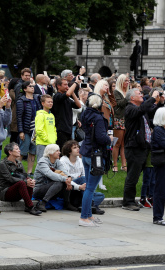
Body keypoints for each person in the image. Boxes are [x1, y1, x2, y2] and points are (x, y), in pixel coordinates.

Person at [122, 88, 160, 211]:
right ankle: (127, 202)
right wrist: (152, 98)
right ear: (132, 98)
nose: (142, 95)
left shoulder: (139, 109)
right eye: (139, 94)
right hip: (134, 147)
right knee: (132, 176)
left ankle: (131, 200)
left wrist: (158, 101)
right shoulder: (130, 108)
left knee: (136, 175)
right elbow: (142, 109)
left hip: (142, 146)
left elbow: (150, 110)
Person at [79, 94, 112, 227]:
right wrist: (109, 139)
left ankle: (88, 215)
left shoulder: (85, 114)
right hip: (96, 154)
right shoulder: (98, 117)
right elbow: (100, 137)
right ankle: (83, 218)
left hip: (86, 152)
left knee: (88, 186)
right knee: (90, 188)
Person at [60, 140, 105, 214]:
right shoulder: (63, 161)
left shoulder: (80, 160)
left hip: (81, 190)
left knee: (101, 195)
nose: (78, 149)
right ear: (69, 151)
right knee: (83, 179)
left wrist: (83, 186)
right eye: (75, 148)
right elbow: (66, 179)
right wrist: (79, 186)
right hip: (70, 189)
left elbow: (84, 175)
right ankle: (91, 205)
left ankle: (83, 205)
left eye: (78, 147)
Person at [0, 143, 41, 215]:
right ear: (10, 152)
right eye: (17, 149)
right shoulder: (3, 164)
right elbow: (10, 179)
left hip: (17, 191)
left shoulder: (19, 163)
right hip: (5, 192)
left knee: (29, 182)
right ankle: (30, 207)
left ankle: (28, 206)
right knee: (22, 182)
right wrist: (25, 181)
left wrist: (30, 180)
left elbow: (25, 176)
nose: (19, 150)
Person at [33, 144, 77, 212]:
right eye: (57, 151)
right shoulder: (42, 162)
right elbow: (50, 175)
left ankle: (67, 203)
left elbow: (65, 172)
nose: (59, 152)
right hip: (39, 189)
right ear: (50, 152)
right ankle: (43, 203)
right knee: (60, 182)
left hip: (52, 188)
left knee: (63, 181)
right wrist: (65, 179)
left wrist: (69, 178)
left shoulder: (57, 161)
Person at [16, 81, 42, 175]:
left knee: (32, 152)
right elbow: (19, 117)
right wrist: (21, 131)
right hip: (26, 130)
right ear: (25, 89)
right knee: (22, 152)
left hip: (36, 130)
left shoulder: (37, 98)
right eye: (30, 86)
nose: (32, 87)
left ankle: (29, 172)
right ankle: (17, 170)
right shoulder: (21, 100)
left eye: (33, 86)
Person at [51, 77, 81, 151]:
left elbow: (79, 105)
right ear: (58, 86)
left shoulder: (67, 99)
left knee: (68, 151)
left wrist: (73, 93)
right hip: (61, 129)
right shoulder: (57, 96)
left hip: (68, 128)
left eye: (67, 85)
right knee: (62, 151)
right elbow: (67, 93)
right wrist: (76, 83)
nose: (67, 87)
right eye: (65, 85)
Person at [112, 74, 129, 172]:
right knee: (117, 143)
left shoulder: (126, 92)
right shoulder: (116, 92)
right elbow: (120, 104)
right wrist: (128, 96)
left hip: (126, 119)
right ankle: (115, 165)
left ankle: (124, 164)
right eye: (125, 81)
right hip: (118, 119)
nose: (127, 83)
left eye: (128, 81)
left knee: (124, 143)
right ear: (121, 81)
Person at [35, 94, 57, 162]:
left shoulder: (51, 115)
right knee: (41, 163)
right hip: (42, 144)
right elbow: (39, 130)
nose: (50, 103)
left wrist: (54, 138)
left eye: (51, 102)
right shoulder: (40, 115)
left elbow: (53, 128)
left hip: (51, 143)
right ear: (43, 103)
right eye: (48, 102)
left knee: (50, 163)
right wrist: (46, 139)